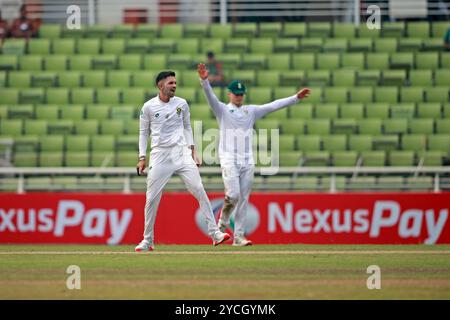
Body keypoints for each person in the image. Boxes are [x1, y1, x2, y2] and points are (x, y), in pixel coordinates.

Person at [197, 63, 311, 246]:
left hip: (247, 160)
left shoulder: (251, 111)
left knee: (243, 199)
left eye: (241, 94)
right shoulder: (223, 110)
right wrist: (204, 81)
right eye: (236, 93)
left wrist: (295, 98)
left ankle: (238, 236)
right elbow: (210, 98)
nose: (239, 96)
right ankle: (222, 225)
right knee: (233, 195)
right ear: (229, 94)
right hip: (229, 159)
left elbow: (273, 105)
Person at [135, 70, 231, 252]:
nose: (174, 86)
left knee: (199, 189)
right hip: (160, 155)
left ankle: (215, 233)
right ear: (160, 85)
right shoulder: (148, 107)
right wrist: (142, 157)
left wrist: (192, 150)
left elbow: (187, 126)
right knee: (151, 199)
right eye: (170, 83)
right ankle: (147, 240)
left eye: (175, 83)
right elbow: (143, 133)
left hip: (181, 153)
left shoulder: (182, 104)